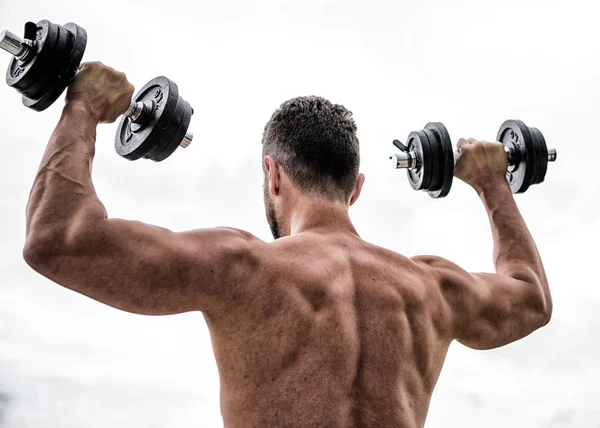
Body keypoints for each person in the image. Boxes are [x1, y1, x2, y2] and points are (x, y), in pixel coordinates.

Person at [22, 62, 552, 428]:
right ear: (357, 188)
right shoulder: (431, 288)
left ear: (272, 175)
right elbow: (531, 298)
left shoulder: (243, 267)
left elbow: (56, 238)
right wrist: (493, 183)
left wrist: (85, 105)